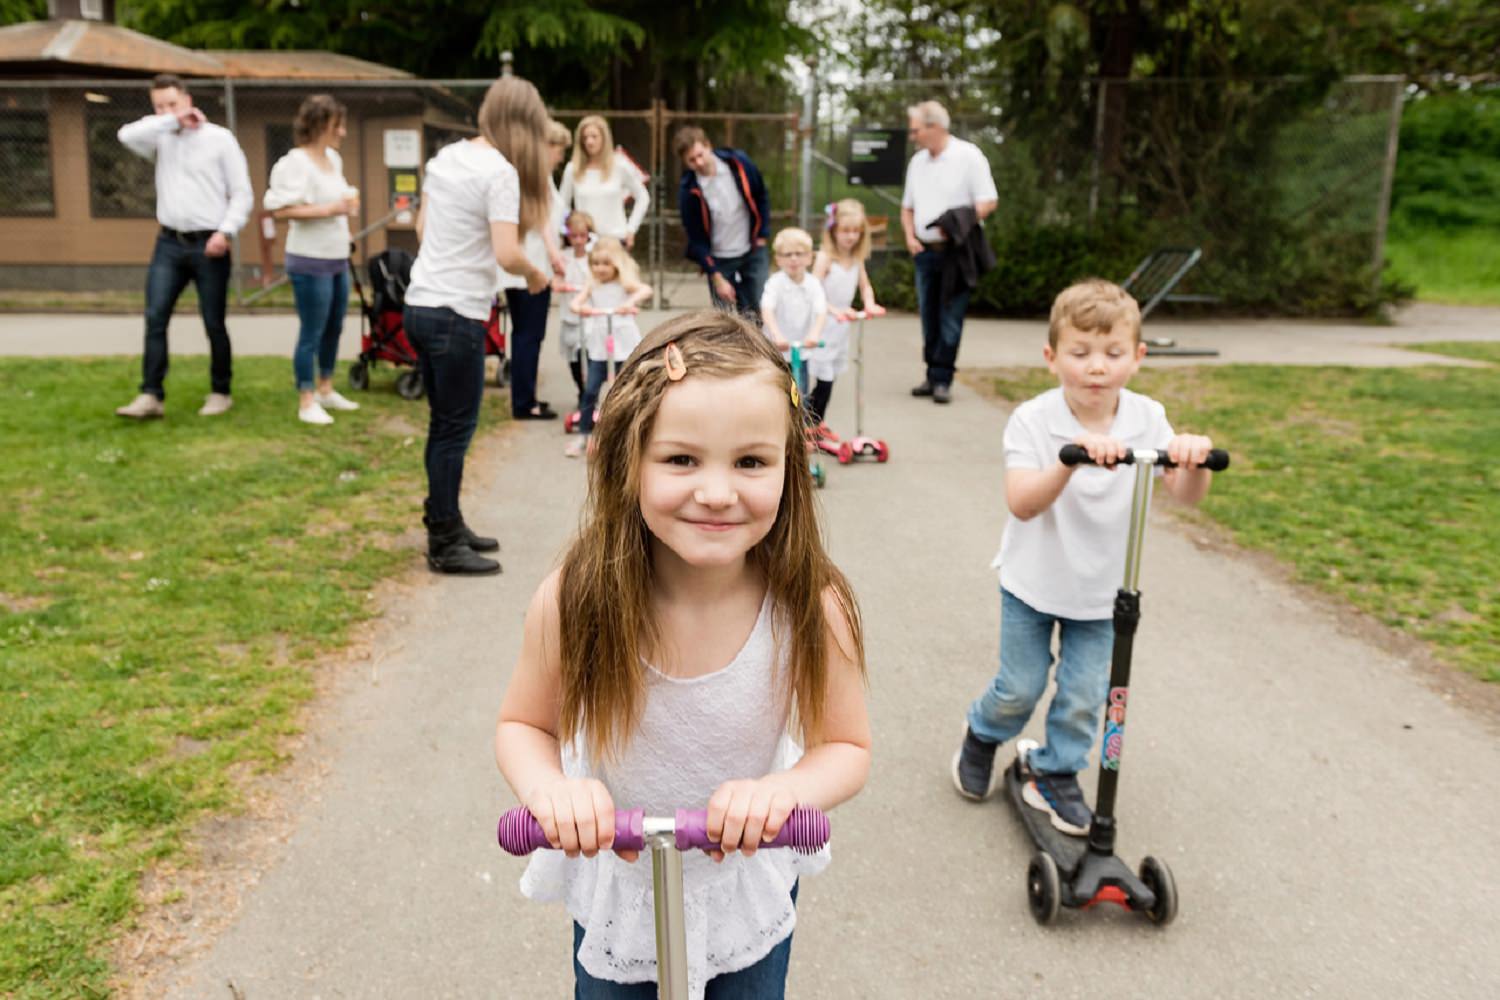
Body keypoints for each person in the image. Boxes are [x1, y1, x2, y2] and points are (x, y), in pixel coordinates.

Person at [495, 309, 871, 999]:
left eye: (752, 462)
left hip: (743, 886)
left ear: (791, 466)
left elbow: (845, 746)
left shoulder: (811, 608)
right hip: (624, 885)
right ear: (627, 461)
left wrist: (782, 793)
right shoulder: (576, 598)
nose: (718, 493)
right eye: (681, 459)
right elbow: (525, 725)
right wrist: (551, 792)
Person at [950, 279, 1215, 836]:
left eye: (1113, 354)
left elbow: (1184, 495)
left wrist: (1191, 461)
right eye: (1081, 353)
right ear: (1051, 357)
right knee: (1019, 688)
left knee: (1085, 697)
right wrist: (1070, 462)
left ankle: (1056, 771)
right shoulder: (1034, 419)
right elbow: (1021, 504)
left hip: (1103, 595)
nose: (1097, 367)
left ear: (1138, 358)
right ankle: (982, 734)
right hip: (1033, 584)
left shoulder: (1147, 417)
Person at [404, 76, 552, 575]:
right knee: (454, 429)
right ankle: (444, 543)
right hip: (457, 313)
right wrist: (534, 273)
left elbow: (422, 229)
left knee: (442, 425)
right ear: (525, 124)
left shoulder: (446, 158)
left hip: (420, 304)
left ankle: (446, 519)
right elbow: (508, 252)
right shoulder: (501, 172)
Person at [114, 74, 253, 420]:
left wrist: (226, 232)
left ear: (188, 100)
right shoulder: (159, 138)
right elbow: (125, 135)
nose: (166, 111)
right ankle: (151, 395)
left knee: (213, 322)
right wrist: (169, 121)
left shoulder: (219, 140)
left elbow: (242, 193)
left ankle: (221, 391)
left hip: (210, 244)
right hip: (169, 244)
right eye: (158, 106)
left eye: (172, 104)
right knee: (155, 317)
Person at [263, 93, 362, 425]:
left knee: (334, 326)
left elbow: (338, 203)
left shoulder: (334, 160)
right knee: (312, 330)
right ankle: (306, 400)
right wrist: (330, 209)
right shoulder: (295, 163)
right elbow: (278, 210)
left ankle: (325, 388)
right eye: (338, 125)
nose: (343, 132)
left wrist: (345, 217)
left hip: (336, 257)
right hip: (309, 259)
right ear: (320, 125)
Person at [899, 100, 998, 406]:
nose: (912, 136)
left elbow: (988, 201)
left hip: (958, 252)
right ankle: (931, 374)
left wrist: (957, 221)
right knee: (929, 317)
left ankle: (943, 378)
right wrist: (909, 237)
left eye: (916, 130)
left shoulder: (969, 156)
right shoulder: (917, 163)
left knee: (950, 317)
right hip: (925, 253)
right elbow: (907, 207)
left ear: (935, 127)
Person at [499, 119, 571, 422]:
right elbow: (540, 218)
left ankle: (524, 396)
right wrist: (554, 254)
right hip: (533, 266)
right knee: (529, 334)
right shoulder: (536, 177)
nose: (561, 157)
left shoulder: (533, 175)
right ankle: (524, 402)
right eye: (560, 150)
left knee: (525, 334)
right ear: (548, 147)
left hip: (526, 265)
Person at [564, 237, 652, 459]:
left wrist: (628, 303)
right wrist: (583, 309)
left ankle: (629, 433)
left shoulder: (624, 284)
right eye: (595, 264)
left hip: (623, 342)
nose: (600, 269)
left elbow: (645, 290)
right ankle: (584, 435)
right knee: (591, 390)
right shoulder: (592, 285)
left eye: (605, 264)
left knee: (627, 387)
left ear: (616, 265)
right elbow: (576, 303)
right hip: (600, 345)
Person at [675, 126, 771, 320]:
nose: (699, 162)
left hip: (751, 250)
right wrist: (716, 276)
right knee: (724, 319)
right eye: (692, 161)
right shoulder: (689, 191)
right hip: (720, 259)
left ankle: (756, 350)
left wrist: (762, 235)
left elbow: (761, 196)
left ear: (708, 146)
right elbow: (696, 238)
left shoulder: (739, 164)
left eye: (700, 155)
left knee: (757, 311)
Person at [808, 199, 885, 436]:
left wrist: (869, 303)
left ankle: (815, 422)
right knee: (824, 379)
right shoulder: (825, 258)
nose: (850, 237)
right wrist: (834, 310)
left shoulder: (856, 258)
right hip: (823, 323)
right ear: (834, 230)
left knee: (830, 377)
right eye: (845, 231)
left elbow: (865, 285)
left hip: (842, 327)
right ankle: (809, 422)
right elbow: (814, 291)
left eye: (855, 231)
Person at [556, 115, 650, 247]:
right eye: (585, 138)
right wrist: (567, 232)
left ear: (604, 139)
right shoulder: (573, 169)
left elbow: (643, 196)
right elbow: (562, 205)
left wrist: (631, 229)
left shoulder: (620, 166)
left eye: (594, 137)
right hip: (584, 243)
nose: (589, 142)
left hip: (615, 240)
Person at [759, 228, 827, 398]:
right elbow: (767, 309)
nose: (794, 259)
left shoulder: (813, 284)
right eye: (787, 254)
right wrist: (776, 335)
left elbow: (821, 311)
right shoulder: (775, 283)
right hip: (776, 350)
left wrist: (815, 334)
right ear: (778, 259)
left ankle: (798, 423)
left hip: (800, 351)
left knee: (800, 395)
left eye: (799, 253)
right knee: (775, 393)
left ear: (810, 257)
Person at [556, 210, 596, 407]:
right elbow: (555, 278)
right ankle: (581, 390)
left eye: (583, 236)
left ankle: (590, 394)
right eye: (574, 236)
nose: (579, 241)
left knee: (587, 353)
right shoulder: (564, 257)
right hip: (569, 314)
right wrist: (559, 285)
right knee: (572, 357)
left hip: (588, 314)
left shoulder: (593, 256)